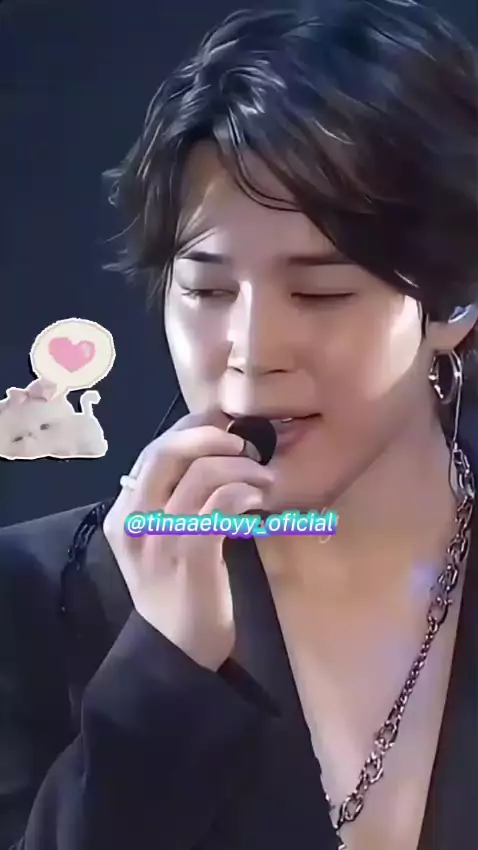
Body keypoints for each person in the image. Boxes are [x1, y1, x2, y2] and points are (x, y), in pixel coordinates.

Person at [1, 2, 477, 849]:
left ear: (454, 304)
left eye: (321, 292)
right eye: (207, 290)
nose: (252, 354)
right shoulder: (35, 598)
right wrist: (162, 672)